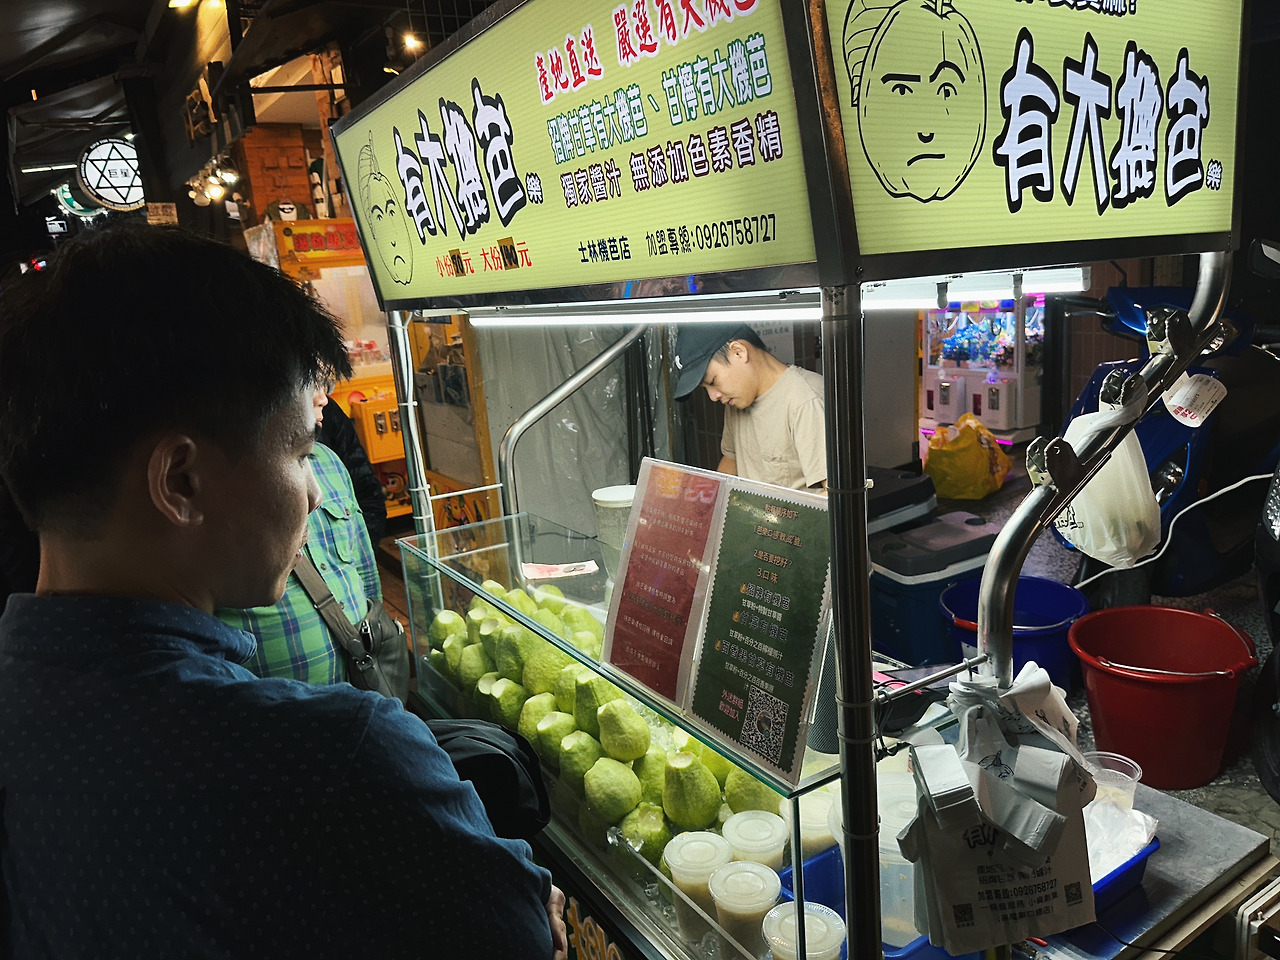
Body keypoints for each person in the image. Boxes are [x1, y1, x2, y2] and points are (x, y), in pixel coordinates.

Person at [0, 220, 567, 959]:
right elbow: (525, 936)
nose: (314, 491)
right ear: (181, 481)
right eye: (300, 452)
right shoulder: (329, 760)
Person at [216, 389, 382, 685]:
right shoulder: (225, 480)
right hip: (268, 702)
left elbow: (363, 564)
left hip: (361, 680)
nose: (323, 397)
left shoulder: (331, 461)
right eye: (308, 381)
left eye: (323, 381)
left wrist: (378, 627)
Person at [672, 322, 827, 490]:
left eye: (713, 381)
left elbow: (835, 497)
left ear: (739, 352)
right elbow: (731, 460)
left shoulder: (805, 401)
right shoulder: (736, 400)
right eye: (706, 389)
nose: (713, 396)